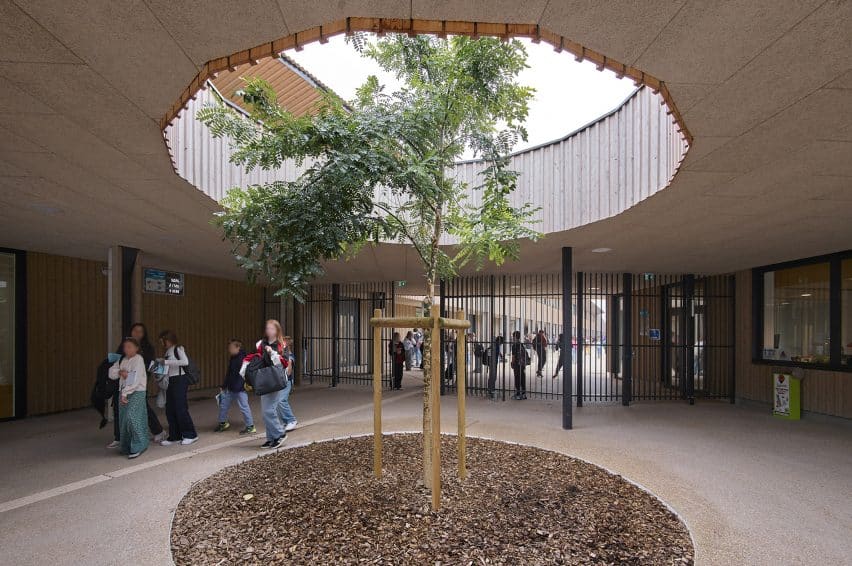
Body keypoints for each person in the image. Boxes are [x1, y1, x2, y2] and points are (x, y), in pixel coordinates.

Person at [107, 323, 165, 449]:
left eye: (140, 332)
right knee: (119, 410)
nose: (137, 333)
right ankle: (119, 437)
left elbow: (150, 364)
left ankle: (156, 431)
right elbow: (117, 363)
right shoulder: (125, 346)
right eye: (135, 331)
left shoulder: (147, 348)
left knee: (141, 410)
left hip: (138, 385)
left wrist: (161, 374)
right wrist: (119, 372)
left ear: (144, 334)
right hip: (122, 383)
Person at [241, 320, 290, 448]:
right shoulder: (260, 343)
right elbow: (254, 357)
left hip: (275, 379)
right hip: (263, 379)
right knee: (265, 411)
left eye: (272, 329)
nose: (269, 331)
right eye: (267, 328)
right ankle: (271, 438)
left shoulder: (281, 345)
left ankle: (279, 434)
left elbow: (283, 363)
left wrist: (272, 353)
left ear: (277, 330)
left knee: (269, 410)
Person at [108, 337, 149, 459]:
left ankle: (139, 445)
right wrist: (121, 372)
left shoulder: (138, 359)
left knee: (133, 418)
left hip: (136, 392)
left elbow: (134, 379)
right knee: (124, 420)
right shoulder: (122, 359)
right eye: (125, 347)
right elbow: (111, 373)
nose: (127, 349)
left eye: (130, 346)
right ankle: (126, 446)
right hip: (123, 392)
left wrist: (125, 392)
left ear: (136, 348)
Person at [157, 330, 198, 446]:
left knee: (181, 408)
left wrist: (166, 362)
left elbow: (185, 362)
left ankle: (191, 434)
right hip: (171, 380)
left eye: (163, 341)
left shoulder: (178, 348)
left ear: (168, 340)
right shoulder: (168, 351)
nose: (162, 344)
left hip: (180, 380)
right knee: (170, 409)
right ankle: (174, 436)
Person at [215, 339, 255, 434]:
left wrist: (239, 386)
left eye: (231, 347)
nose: (229, 349)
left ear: (238, 347)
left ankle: (250, 426)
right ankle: (223, 423)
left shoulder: (243, 358)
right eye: (229, 348)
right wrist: (224, 385)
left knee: (244, 406)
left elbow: (244, 374)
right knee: (223, 405)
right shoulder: (233, 357)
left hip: (239, 388)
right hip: (230, 387)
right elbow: (229, 373)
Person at [277, 335, 298, 432]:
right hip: (280, 381)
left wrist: (288, 362)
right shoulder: (280, 355)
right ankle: (286, 421)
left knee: (281, 401)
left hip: (286, 381)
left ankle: (291, 420)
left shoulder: (289, 356)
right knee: (278, 402)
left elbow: (289, 372)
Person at [511, 330, 528, 400]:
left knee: (517, 378)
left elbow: (514, 355)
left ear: (514, 337)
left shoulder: (514, 345)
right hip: (522, 364)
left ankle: (518, 394)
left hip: (517, 364)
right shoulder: (521, 344)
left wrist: (512, 362)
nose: (512, 338)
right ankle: (523, 394)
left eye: (513, 336)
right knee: (522, 378)